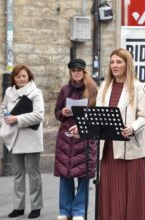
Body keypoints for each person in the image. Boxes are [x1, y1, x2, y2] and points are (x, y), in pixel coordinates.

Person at [69, 48, 145, 219]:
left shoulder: (137, 87)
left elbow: (143, 117)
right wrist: (81, 128)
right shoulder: (105, 86)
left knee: (130, 194)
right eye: (112, 62)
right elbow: (97, 116)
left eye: (119, 62)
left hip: (130, 150)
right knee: (111, 193)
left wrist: (132, 128)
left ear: (127, 64)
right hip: (108, 150)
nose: (114, 65)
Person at [54, 59, 98, 220]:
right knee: (65, 175)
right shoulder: (65, 90)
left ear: (84, 71)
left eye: (79, 70)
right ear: (71, 72)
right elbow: (56, 111)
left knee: (84, 175)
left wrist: (84, 114)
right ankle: (64, 211)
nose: (76, 72)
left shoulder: (92, 89)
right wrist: (63, 112)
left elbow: (96, 114)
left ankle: (79, 211)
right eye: (73, 70)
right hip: (66, 137)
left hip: (85, 136)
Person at [0, 64, 44, 219]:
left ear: (29, 76)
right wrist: (5, 118)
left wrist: (16, 118)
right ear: (14, 78)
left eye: (24, 76)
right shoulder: (9, 92)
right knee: (17, 173)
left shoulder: (36, 93)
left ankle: (36, 207)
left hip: (31, 137)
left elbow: (39, 115)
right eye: (18, 76)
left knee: (33, 174)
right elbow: (3, 108)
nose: (21, 79)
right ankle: (18, 207)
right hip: (14, 137)